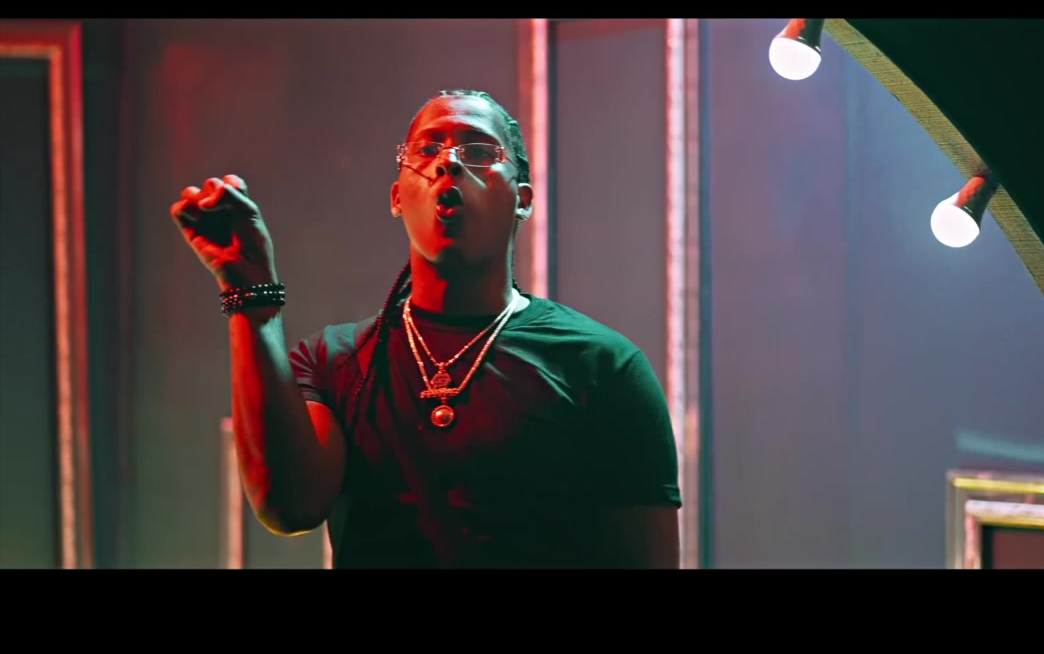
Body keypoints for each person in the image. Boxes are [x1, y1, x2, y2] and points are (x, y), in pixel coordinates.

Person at [171, 89, 682, 568]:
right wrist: (251, 296)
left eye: (478, 151)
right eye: (428, 149)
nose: (449, 161)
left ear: (522, 199)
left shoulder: (601, 366)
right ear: (397, 196)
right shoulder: (336, 360)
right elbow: (290, 506)